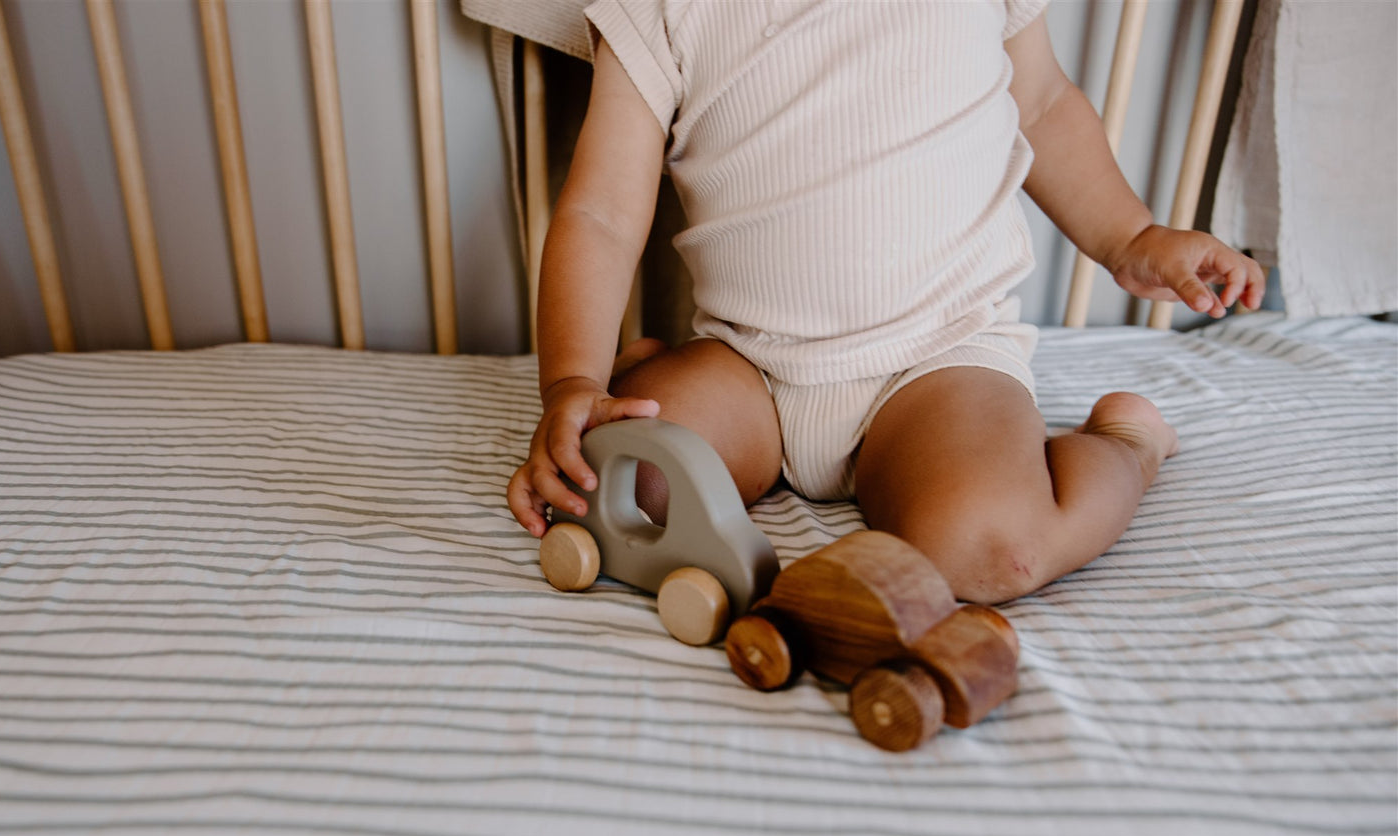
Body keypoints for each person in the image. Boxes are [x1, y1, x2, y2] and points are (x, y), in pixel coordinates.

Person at [506, 0, 1265, 605]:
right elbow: (601, 211)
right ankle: (652, 376)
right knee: (611, 484)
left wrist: (1129, 235)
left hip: (936, 362)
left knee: (995, 550)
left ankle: (1126, 446)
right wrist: (571, 384)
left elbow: (1039, 105)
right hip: (751, 369)